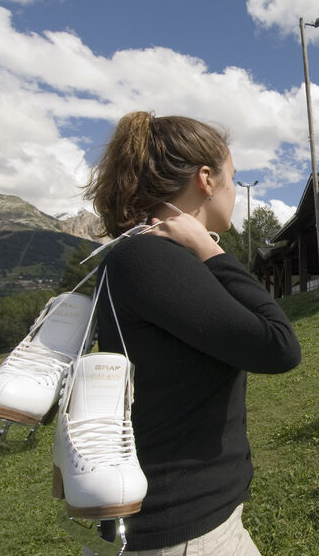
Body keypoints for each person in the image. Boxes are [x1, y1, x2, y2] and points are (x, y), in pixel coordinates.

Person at [84, 111, 302, 555]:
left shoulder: (144, 254)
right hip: (184, 532)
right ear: (206, 178)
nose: (234, 193)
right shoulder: (151, 258)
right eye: (232, 177)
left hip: (188, 521)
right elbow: (277, 346)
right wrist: (210, 250)